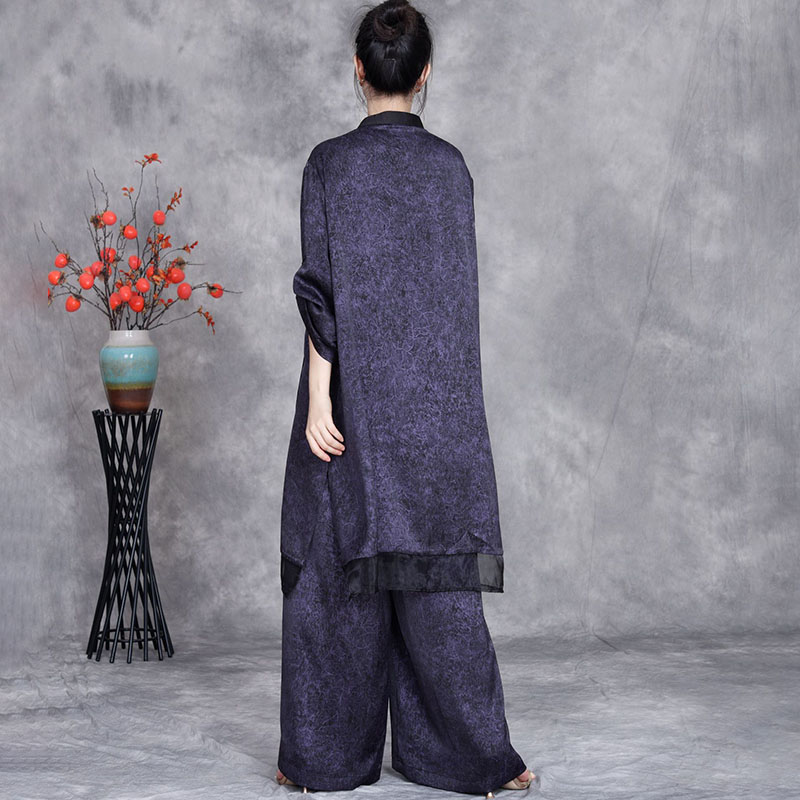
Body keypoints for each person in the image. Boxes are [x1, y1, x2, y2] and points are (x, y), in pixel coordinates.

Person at [276, 1, 539, 796]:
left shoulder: (329, 164)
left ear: (358, 68)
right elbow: (448, 294)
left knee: (335, 576)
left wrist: (320, 403)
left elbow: (322, 294)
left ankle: (322, 760)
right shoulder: (452, 167)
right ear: (423, 75)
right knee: (438, 583)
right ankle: (469, 758)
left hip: (352, 399)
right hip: (439, 405)